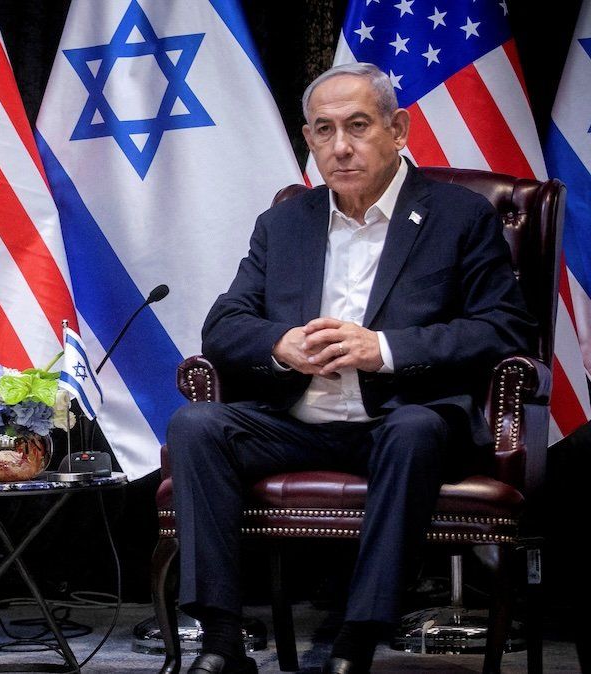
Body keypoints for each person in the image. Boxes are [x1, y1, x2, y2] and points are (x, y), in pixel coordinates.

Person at [167, 63, 535, 674]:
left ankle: (356, 642)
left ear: (398, 129)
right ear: (308, 140)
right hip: (296, 420)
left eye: (358, 126)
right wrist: (281, 344)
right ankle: (222, 641)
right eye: (324, 130)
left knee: (414, 429)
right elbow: (225, 324)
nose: (341, 147)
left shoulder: (459, 217)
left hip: (400, 421)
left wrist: (383, 350)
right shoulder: (285, 223)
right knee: (195, 426)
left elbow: (504, 328)